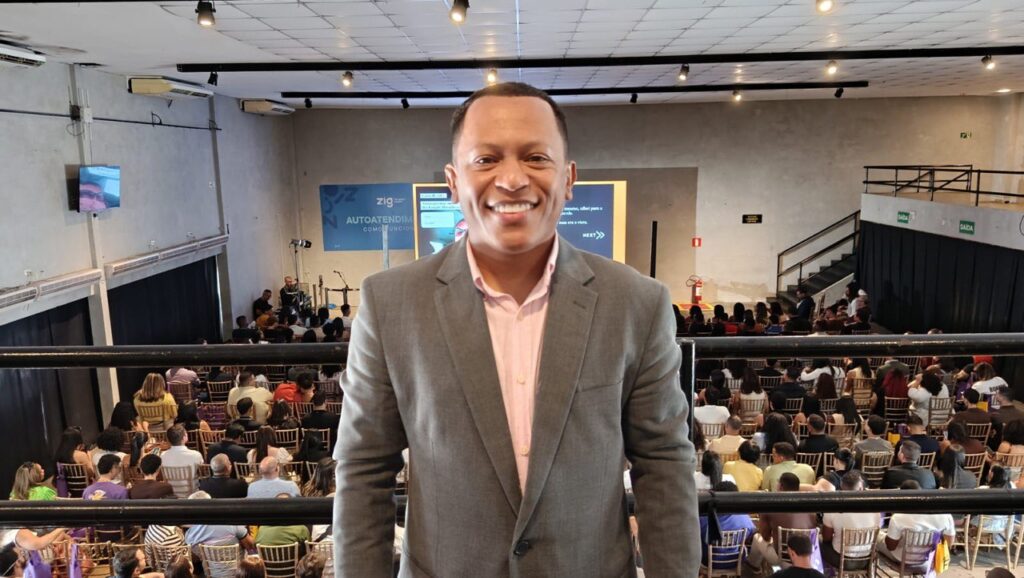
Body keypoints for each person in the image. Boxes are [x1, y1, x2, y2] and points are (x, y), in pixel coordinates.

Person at [334, 82, 698, 577]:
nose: (511, 179)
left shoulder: (637, 303)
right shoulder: (390, 303)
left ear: (568, 178)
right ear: (453, 181)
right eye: (486, 159)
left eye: (535, 157)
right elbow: (363, 470)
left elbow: (664, 463)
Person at [750, 473, 819, 571]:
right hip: (807, 558)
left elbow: (765, 536)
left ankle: (753, 567)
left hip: (782, 558)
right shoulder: (809, 506)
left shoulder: (770, 504)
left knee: (757, 537)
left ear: (780, 486)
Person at [877, 480, 954, 563]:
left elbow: (891, 547)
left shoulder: (898, 517)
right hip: (929, 560)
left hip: (901, 558)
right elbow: (949, 542)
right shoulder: (945, 515)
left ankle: (869, 565)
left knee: (876, 536)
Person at [820, 472, 880, 570]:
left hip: (841, 560)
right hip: (867, 560)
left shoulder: (833, 508)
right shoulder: (875, 508)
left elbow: (826, 538)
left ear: (841, 487)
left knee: (818, 542)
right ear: (861, 488)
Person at [698, 481, 755, 569]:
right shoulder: (743, 517)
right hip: (735, 561)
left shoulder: (703, 518)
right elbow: (751, 533)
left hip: (707, 562)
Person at [184, 491, 254, 551]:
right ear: (211, 503)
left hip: (207, 563)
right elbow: (250, 546)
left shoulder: (190, 534)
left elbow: (193, 556)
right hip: (238, 562)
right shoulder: (230, 522)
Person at [160, 425, 204, 497]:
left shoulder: (162, 456)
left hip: (171, 495)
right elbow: (202, 473)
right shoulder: (196, 455)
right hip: (192, 495)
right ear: (184, 438)